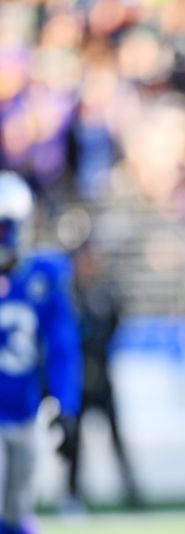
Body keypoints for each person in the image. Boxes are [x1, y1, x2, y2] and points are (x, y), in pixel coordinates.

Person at [0, 171, 82, 534]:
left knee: (15, 512)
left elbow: (62, 347)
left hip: (24, 411)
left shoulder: (44, 274)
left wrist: (66, 406)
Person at [61, 241, 139, 510]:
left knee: (117, 438)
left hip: (102, 377)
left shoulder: (104, 293)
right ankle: (71, 495)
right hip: (78, 380)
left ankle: (131, 494)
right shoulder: (71, 295)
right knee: (74, 441)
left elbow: (114, 324)